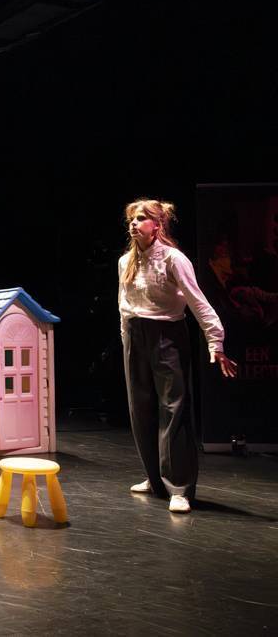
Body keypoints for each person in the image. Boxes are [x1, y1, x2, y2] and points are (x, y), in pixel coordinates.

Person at [118, 199, 237, 514]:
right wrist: (126, 338)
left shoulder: (173, 259)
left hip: (166, 335)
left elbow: (198, 301)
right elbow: (123, 304)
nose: (134, 223)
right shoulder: (125, 261)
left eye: (141, 218)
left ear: (157, 225)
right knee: (140, 408)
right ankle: (155, 479)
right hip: (135, 335)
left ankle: (179, 487)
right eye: (131, 219)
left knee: (174, 408)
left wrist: (216, 342)